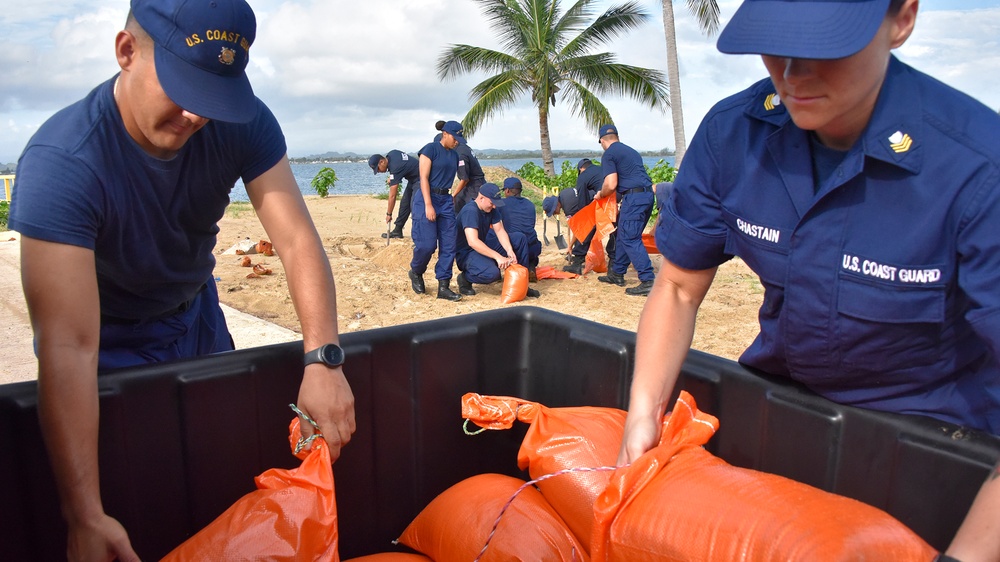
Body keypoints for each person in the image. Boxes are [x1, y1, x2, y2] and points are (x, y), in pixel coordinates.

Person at [616, 0, 1000, 558]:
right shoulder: (735, 134)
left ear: (901, 20)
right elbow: (677, 286)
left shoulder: (977, 169)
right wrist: (643, 413)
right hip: (785, 415)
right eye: (776, 47)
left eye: (826, 46)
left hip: (932, 441)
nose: (794, 75)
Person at [8, 1, 356, 560]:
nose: (197, 116)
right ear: (126, 52)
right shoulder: (62, 162)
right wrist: (83, 515)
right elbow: (68, 344)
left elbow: (294, 240)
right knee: (129, 497)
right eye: (183, 87)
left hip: (196, 316)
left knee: (219, 476)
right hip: (107, 340)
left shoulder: (242, 123)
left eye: (214, 95)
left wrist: (324, 358)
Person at [594, 124, 655, 296]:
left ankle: (648, 280)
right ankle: (617, 274)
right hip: (647, 196)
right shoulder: (632, 151)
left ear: (602, 141)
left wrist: (600, 194)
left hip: (634, 199)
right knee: (623, 234)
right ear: (617, 136)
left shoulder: (609, 154)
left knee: (630, 237)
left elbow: (611, 183)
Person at [454, 183, 539, 298]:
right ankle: (465, 278)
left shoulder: (491, 209)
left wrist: (509, 250)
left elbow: (500, 231)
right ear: (481, 198)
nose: (494, 206)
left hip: (484, 244)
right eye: (492, 203)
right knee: (492, 274)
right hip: (467, 252)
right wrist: (498, 257)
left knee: (519, 238)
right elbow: (473, 242)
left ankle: (522, 283)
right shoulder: (470, 211)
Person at [410, 120, 463, 301]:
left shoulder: (455, 156)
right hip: (427, 197)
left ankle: (444, 286)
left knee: (449, 244)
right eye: (455, 138)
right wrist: (428, 204)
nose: (457, 142)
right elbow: (423, 178)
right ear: (445, 134)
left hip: (446, 200)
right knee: (427, 244)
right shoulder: (430, 149)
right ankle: (416, 271)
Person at [494, 177, 542, 281]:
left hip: (515, 247)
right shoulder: (530, 204)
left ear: (507, 190)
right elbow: (531, 225)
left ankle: (497, 272)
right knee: (534, 246)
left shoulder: (501, 204)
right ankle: (530, 267)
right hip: (532, 247)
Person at [563, 158, 603, 274]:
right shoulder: (600, 169)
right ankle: (615, 267)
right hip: (618, 198)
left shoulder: (583, 176)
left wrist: (581, 219)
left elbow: (582, 202)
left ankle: (577, 262)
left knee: (587, 225)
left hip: (605, 198)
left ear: (581, 169)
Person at [369, 150, 419, 239]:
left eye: (378, 169)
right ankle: (397, 231)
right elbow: (402, 165)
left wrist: (389, 214)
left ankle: (419, 237)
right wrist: (392, 177)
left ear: (382, 161)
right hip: (413, 179)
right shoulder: (392, 154)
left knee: (415, 206)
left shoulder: (395, 167)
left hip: (422, 179)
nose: (379, 172)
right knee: (404, 204)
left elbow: (392, 195)